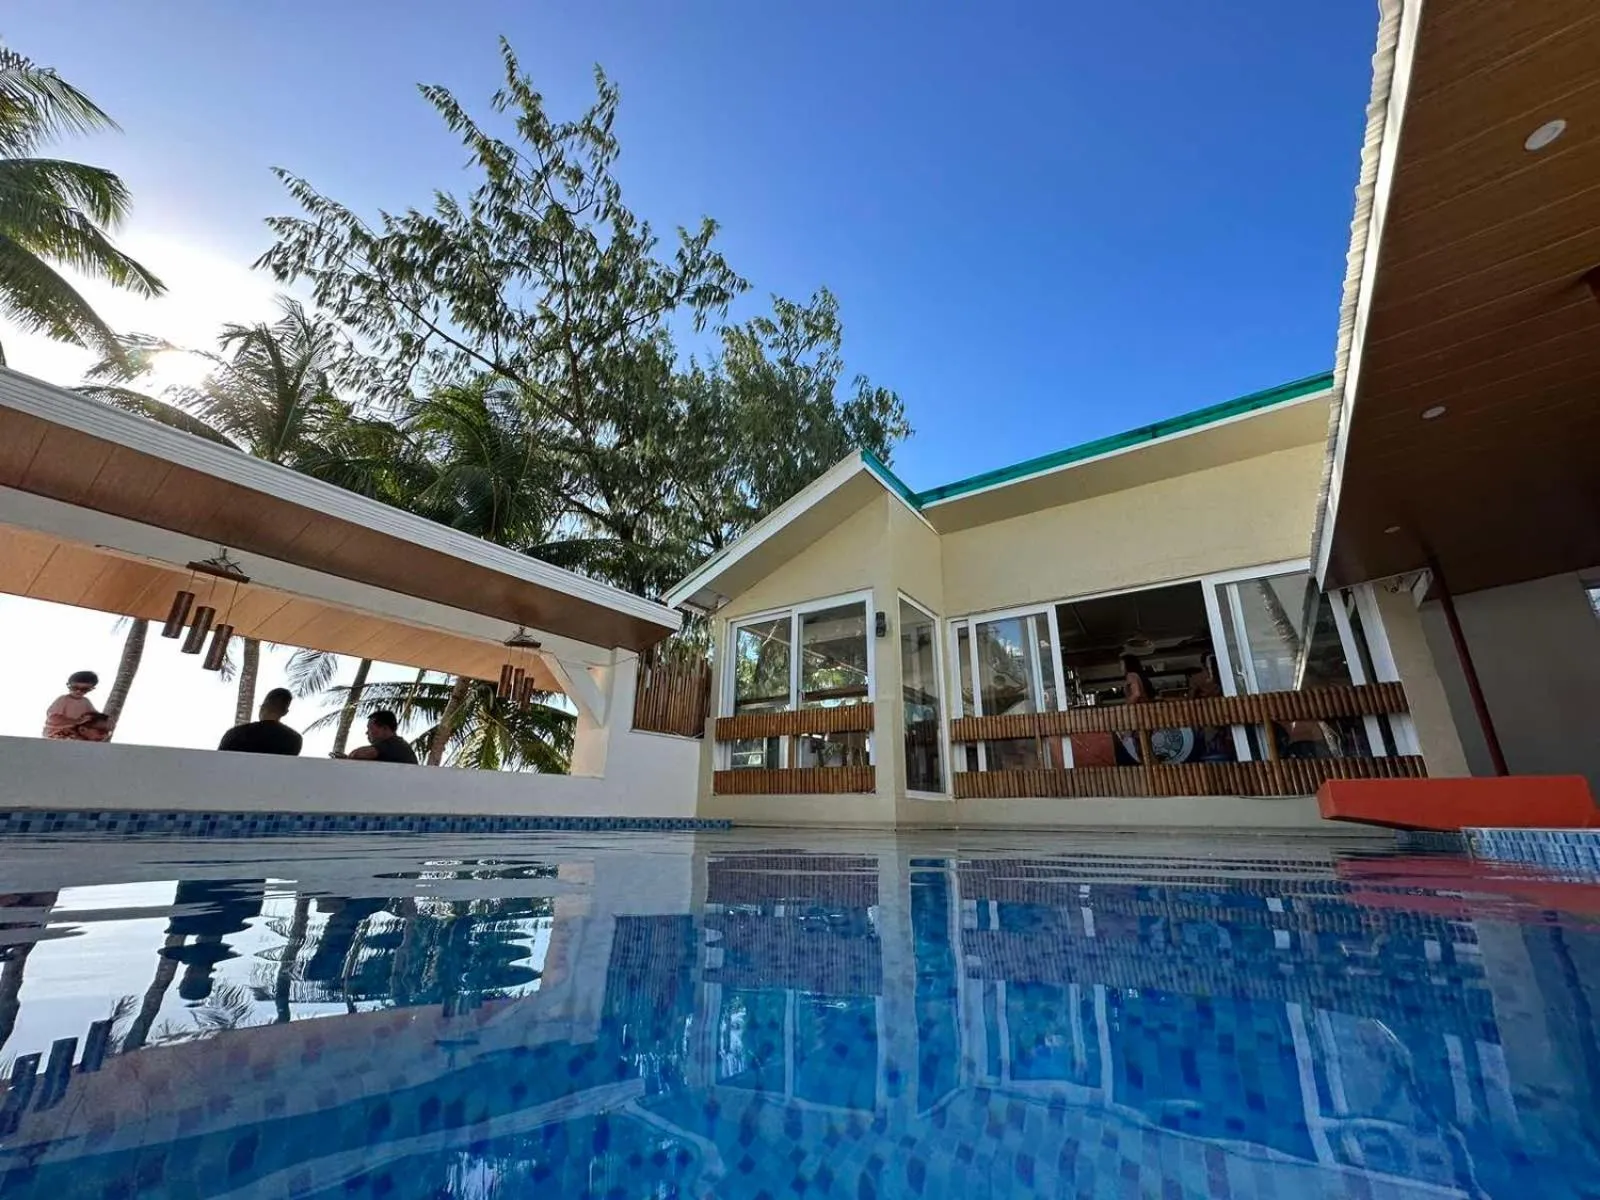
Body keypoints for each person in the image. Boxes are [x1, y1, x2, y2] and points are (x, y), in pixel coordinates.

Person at [218, 687, 303, 756]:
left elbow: (219, 760)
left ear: (263, 707)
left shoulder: (235, 733)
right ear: (285, 712)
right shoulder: (295, 740)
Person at [42, 670, 114, 741]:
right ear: (68, 685)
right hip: (57, 734)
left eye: (84, 689)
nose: (78, 691)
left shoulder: (86, 702)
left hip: (76, 735)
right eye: (75, 688)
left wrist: (107, 722)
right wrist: (76, 721)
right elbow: (53, 720)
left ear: (91, 689)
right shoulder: (63, 700)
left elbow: (94, 716)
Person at [333, 710, 419, 764]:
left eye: (370, 728)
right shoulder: (398, 745)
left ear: (385, 728)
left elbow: (357, 754)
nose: (367, 732)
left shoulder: (395, 744)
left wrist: (348, 758)